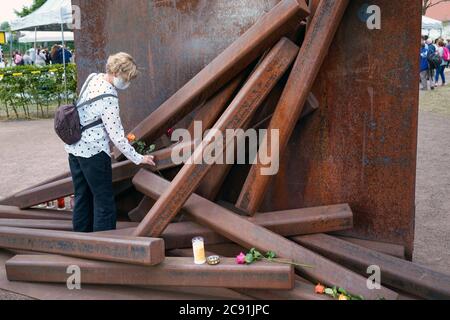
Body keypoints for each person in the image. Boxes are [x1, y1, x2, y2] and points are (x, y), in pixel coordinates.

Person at [65, 52, 156, 233]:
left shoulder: (93, 78)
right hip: (94, 152)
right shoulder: (109, 98)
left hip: (74, 148)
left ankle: (80, 238)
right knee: (104, 200)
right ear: (117, 73)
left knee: (82, 195)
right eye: (127, 78)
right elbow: (117, 137)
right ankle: (103, 245)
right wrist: (138, 158)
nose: (127, 83)